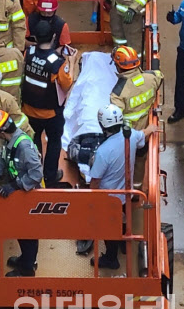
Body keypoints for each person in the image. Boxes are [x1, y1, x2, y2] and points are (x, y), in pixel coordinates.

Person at [89, 104, 160, 269]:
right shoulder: (130, 136)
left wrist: (90, 202)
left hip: (108, 198)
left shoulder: (103, 152)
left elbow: (95, 182)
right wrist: (151, 128)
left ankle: (111, 258)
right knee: (121, 218)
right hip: (124, 193)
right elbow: (142, 135)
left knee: (108, 227)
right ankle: (123, 243)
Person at [0, 109, 43, 277]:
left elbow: (36, 174)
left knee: (28, 231)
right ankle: (25, 259)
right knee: (19, 228)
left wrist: (15, 185)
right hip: (20, 193)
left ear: (0, 132)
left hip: (30, 193)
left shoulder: (23, 146)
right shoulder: (9, 143)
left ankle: (27, 269)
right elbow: (0, 161)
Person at [22, 20, 74, 187]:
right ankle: (50, 175)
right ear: (53, 37)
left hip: (28, 110)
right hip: (51, 113)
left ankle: (35, 174)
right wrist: (71, 62)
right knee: (53, 142)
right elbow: (66, 84)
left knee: (34, 141)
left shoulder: (27, 53)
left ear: (35, 37)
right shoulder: (57, 62)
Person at [109, 45, 163, 187]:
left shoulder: (118, 93)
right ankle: (137, 187)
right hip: (144, 134)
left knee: (125, 163)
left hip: (126, 138)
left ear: (118, 67)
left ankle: (125, 188)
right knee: (140, 161)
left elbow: (113, 120)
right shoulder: (150, 79)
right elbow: (159, 76)